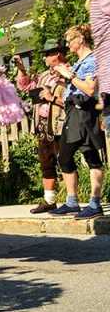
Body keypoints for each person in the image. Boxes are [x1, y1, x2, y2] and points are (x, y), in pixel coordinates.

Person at [49, 25, 105, 219]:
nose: (68, 44)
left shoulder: (92, 60)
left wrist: (70, 76)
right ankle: (75, 202)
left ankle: (92, 203)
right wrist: (62, 79)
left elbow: (90, 89)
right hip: (74, 113)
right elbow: (76, 85)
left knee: (82, 157)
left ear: (80, 39)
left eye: (70, 40)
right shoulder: (80, 62)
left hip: (83, 112)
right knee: (67, 157)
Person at [14, 42, 68, 213]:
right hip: (43, 125)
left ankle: (71, 200)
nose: (44, 58)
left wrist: (51, 97)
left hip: (61, 124)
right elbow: (25, 86)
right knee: (46, 162)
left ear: (57, 55)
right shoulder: (44, 75)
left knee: (66, 162)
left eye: (47, 54)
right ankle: (49, 200)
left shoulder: (69, 73)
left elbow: (72, 100)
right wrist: (22, 69)